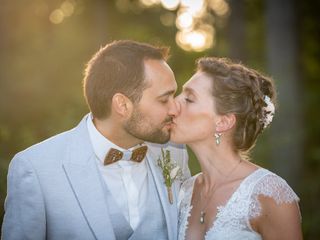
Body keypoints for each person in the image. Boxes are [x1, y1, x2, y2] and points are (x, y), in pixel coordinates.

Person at [2, 40, 190, 240]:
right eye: (164, 99)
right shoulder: (36, 169)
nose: (174, 108)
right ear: (122, 105)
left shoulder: (174, 152)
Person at [171, 57, 303, 240]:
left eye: (189, 99)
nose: (173, 105)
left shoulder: (270, 194)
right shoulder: (184, 191)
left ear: (223, 122)